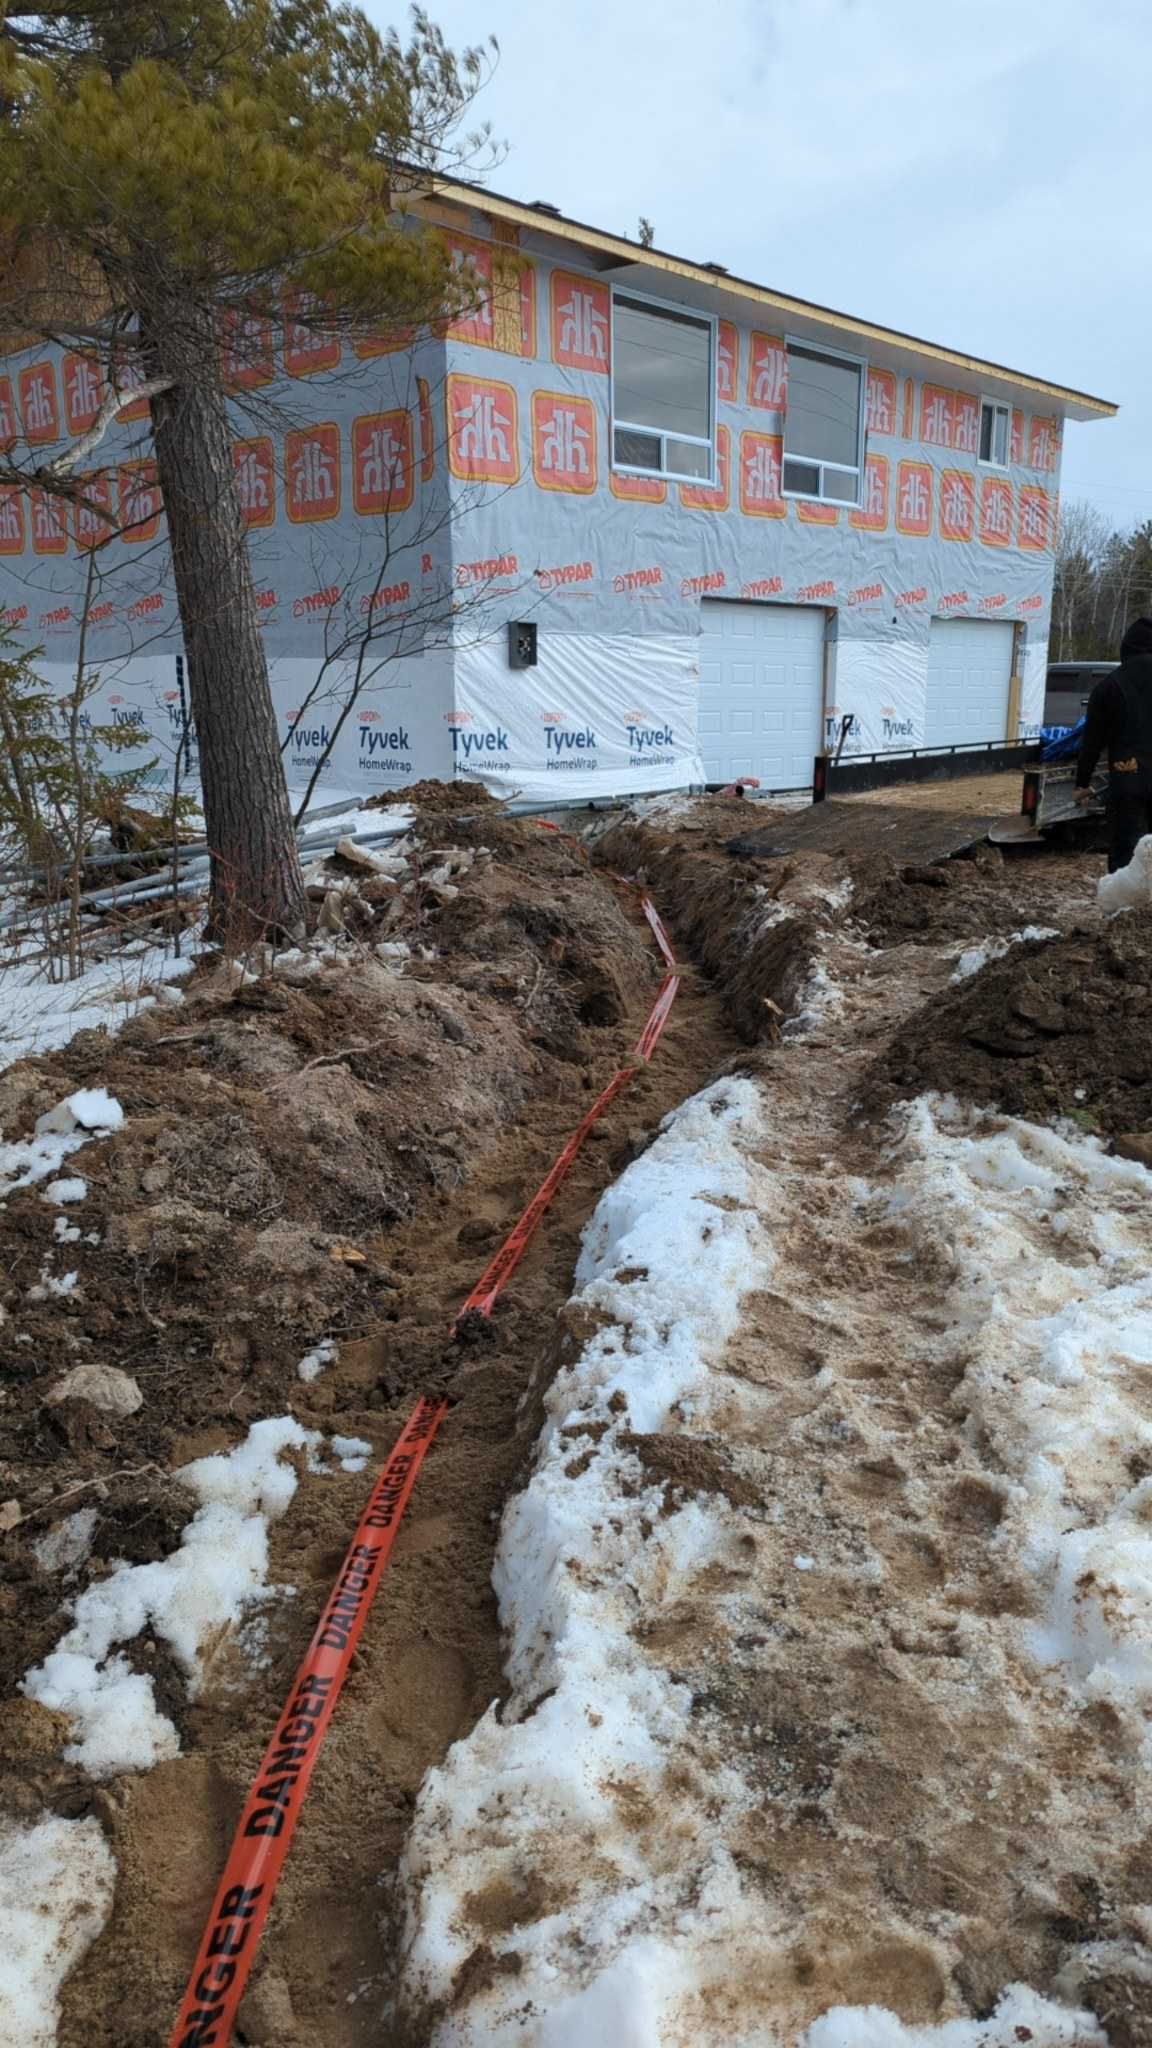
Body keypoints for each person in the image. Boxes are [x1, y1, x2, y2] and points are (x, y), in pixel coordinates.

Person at [1074, 616, 1152, 872]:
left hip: (1127, 779)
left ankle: (1126, 898)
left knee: (1125, 853)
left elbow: (1092, 741)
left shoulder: (1108, 687)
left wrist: (1082, 783)